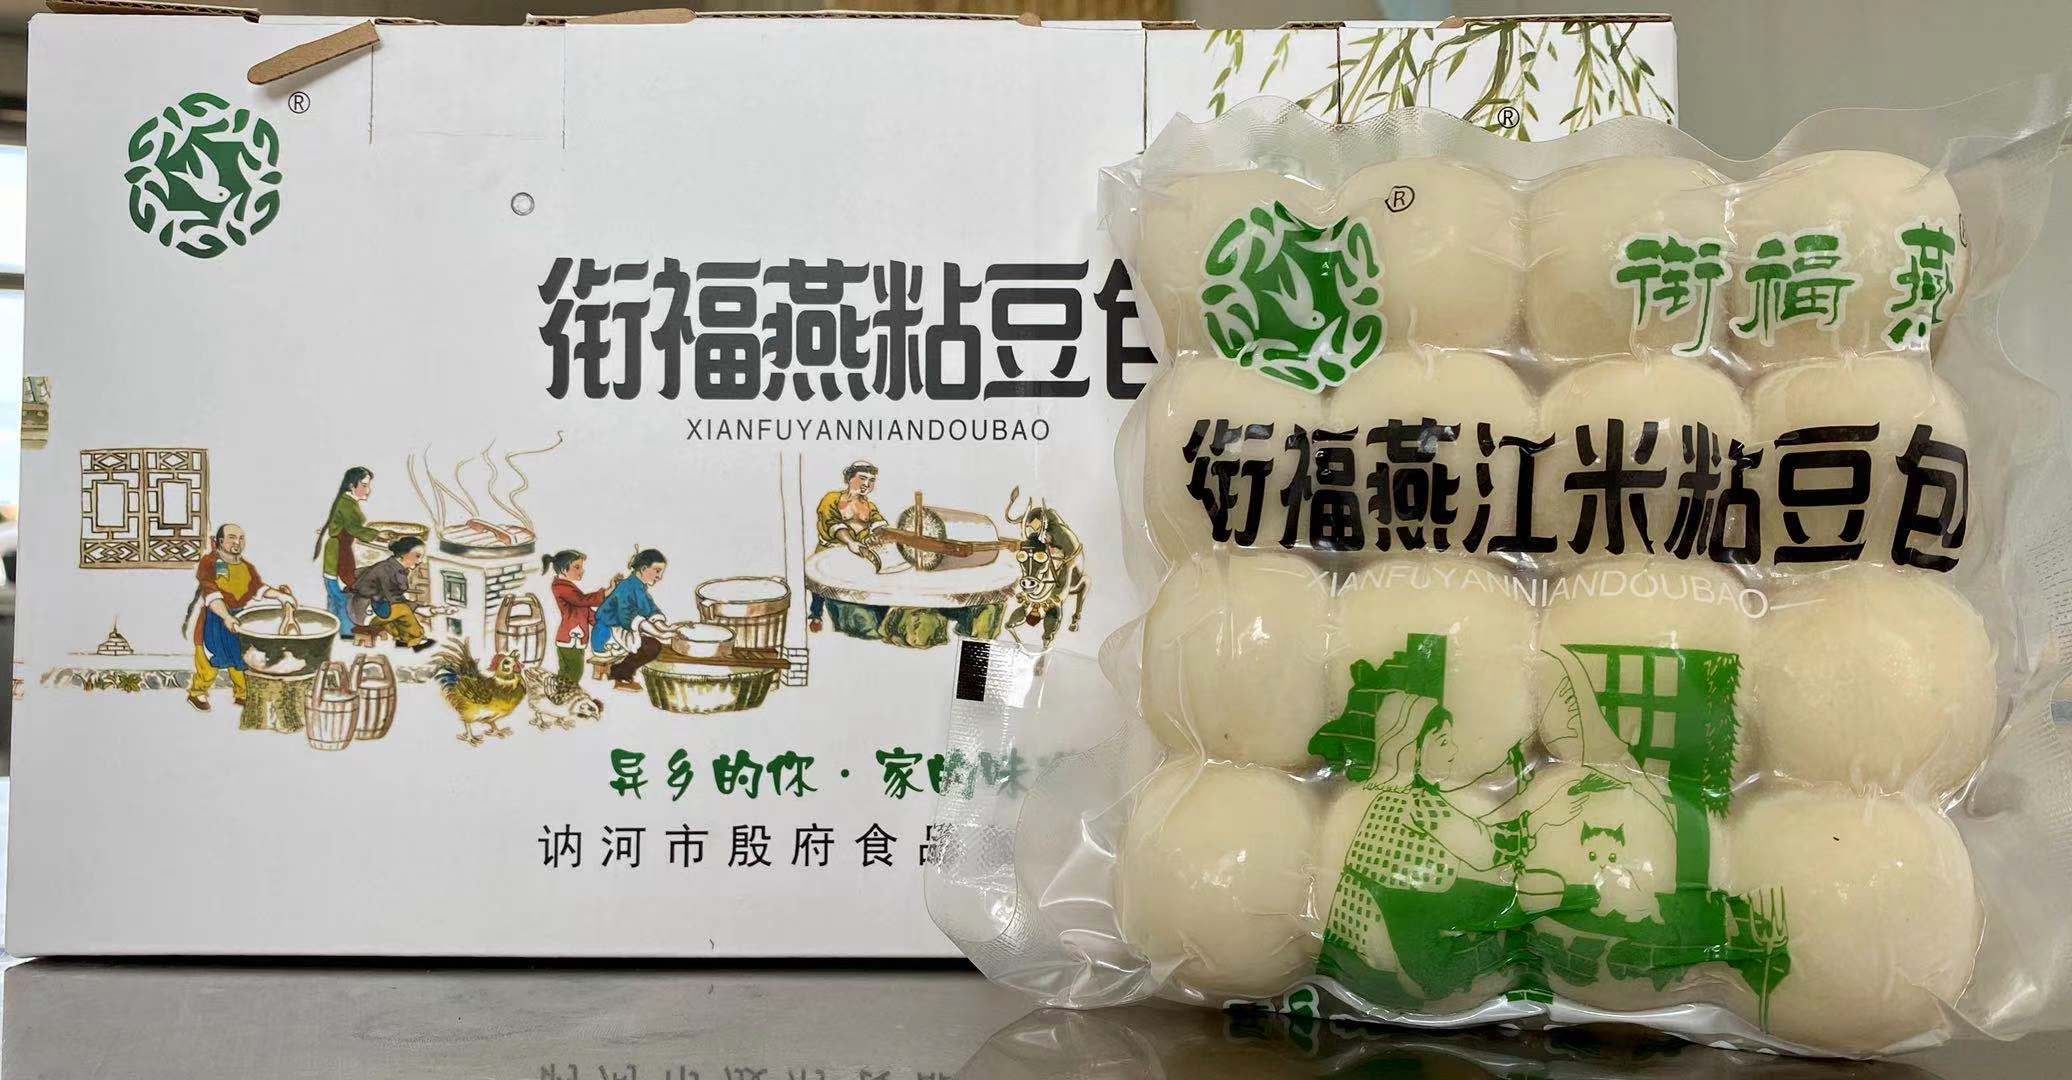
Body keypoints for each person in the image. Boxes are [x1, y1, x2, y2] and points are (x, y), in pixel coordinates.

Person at [183, 523, 295, 712]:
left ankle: (242, 694)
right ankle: (198, 692)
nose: (237, 542)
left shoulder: (247, 567)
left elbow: (259, 588)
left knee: (239, 657)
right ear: (220, 541)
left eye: (241, 538)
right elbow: (212, 594)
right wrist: (226, 616)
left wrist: (281, 596)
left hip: (238, 618)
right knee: (210, 659)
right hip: (214, 618)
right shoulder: (209, 563)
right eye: (232, 537)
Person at [809, 460, 886, 632]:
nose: (867, 484)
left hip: (857, 555)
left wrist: (880, 535)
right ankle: (816, 614)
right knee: (821, 587)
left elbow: (879, 526)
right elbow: (831, 523)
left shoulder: (870, 506)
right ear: (849, 478)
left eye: (871, 480)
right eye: (862, 478)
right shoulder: (832, 498)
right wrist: (850, 542)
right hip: (831, 552)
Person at [312, 466, 387, 639]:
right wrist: (379, 536)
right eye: (364, 485)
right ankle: (347, 634)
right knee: (345, 597)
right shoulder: (346, 504)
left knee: (335, 596)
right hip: (339, 554)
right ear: (352, 486)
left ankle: (331, 632)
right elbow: (355, 529)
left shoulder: (347, 501)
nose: (368, 490)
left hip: (338, 552)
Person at [592, 548, 671, 693]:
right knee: (651, 646)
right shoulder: (627, 587)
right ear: (644, 568)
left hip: (620, 631)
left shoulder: (639, 587)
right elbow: (628, 618)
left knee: (655, 644)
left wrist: (669, 630)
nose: (659, 577)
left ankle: (621, 673)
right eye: (657, 571)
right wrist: (661, 634)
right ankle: (620, 675)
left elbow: (652, 611)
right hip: (606, 634)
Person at [349, 536, 433, 651]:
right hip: (364, 610)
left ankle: (403, 638)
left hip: (375, 606)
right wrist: (418, 609)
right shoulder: (386, 570)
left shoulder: (395, 568)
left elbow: (394, 596)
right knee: (403, 610)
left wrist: (421, 608)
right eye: (417, 556)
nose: (420, 561)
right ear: (403, 554)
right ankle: (416, 639)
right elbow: (393, 599)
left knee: (398, 611)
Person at [544, 548, 605, 687]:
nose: (581, 571)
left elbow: (585, 610)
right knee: (575, 672)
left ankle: (560, 693)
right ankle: (565, 693)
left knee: (568, 672)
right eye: (577, 567)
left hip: (576, 640)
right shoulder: (560, 586)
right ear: (563, 570)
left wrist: (601, 622)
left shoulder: (570, 588)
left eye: (581, 567)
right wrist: (605, 593)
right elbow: (582, 601)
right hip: (570, 638)